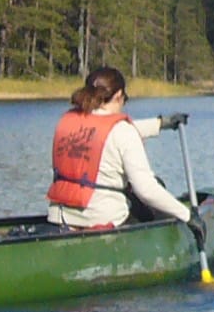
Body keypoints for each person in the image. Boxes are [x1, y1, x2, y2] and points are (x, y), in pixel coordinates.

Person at [45, 66, 195, 232]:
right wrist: (188, 216)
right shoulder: (122, 131)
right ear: (118, 95)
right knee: (155, 188)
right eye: (125, 99)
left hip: (60, 217)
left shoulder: (68, 122)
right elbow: (146, 190)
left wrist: (161, 123)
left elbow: (104, 134)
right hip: (103, 219)